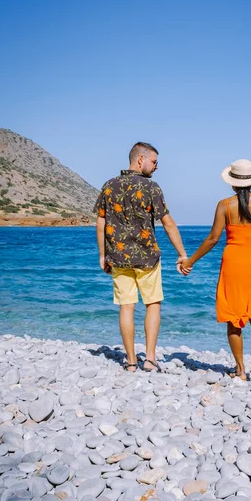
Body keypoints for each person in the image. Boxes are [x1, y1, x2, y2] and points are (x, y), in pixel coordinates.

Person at [179, 159, 251, 380]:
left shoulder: (224, 205)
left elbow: (212, 239)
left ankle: (240, 370)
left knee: (233, 318)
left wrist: (190, 261)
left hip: (233, 263)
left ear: (232, 183)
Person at [94, 142, 187, 372]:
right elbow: (167, 223)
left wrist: (103, 255)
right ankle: (150, 359)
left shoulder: (109, 186)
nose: (156, 167)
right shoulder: (151, 188)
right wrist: (182, 254)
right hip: (147, 258)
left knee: (126, 307)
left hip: (118, 257)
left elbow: (101, 223)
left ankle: (131, 361)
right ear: (140, 160)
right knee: (152, 304)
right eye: (154, 162)